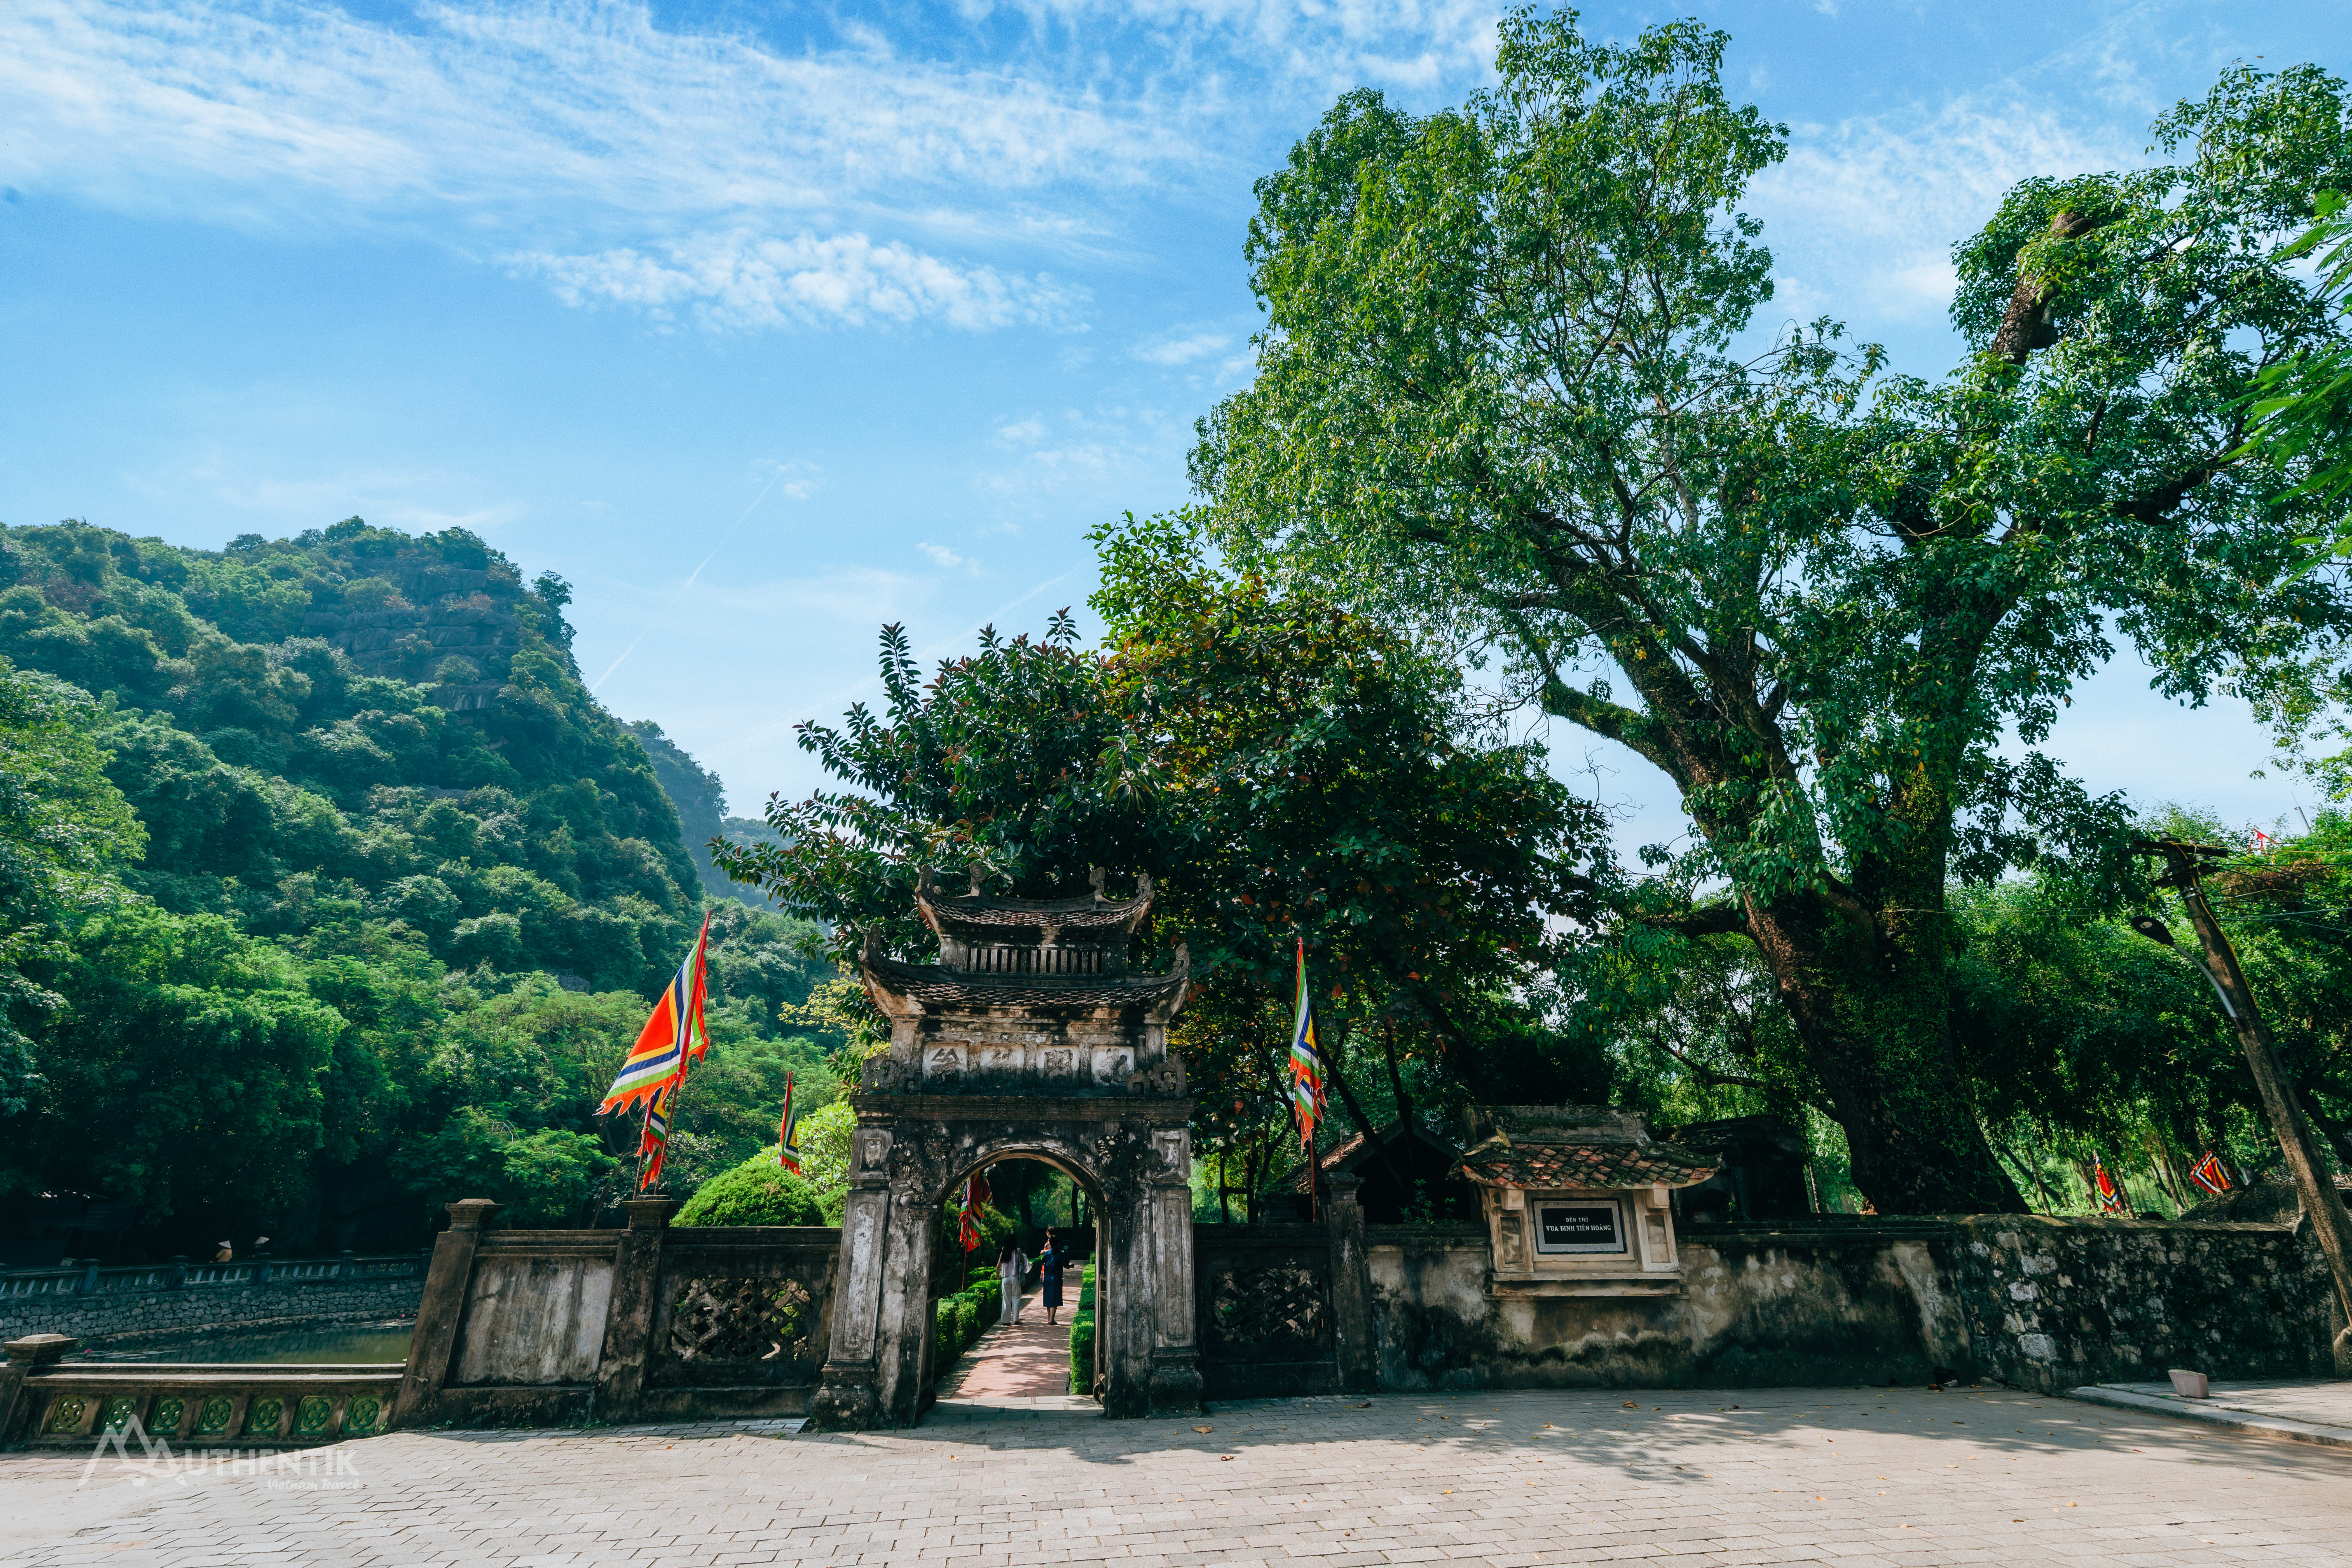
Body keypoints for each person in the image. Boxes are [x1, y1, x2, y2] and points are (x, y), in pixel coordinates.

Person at [1036, 1229, 1065, 1326]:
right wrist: (1070, 1265)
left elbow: (1043, 1263)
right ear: (1057, 1244)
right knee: (1055, 1297)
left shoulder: (1047, 1254)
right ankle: (1052, 1319)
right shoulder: (1061, 1254)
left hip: (1047, 1278)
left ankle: (1049, 1319)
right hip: (1056, 1278)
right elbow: (1065, 1264)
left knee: (1048, 1297)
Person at [996, 1240, 1024, 1326]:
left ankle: (1006, 1320)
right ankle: (1016, 1319)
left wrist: (997, 1274)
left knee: (1006, 1299)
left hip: (1005, 1278)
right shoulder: (1018, 1251)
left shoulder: (1003, 1253)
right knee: (1016, 1298)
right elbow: (1023, 1262)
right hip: (1015, 1277)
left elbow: (998, 1266)